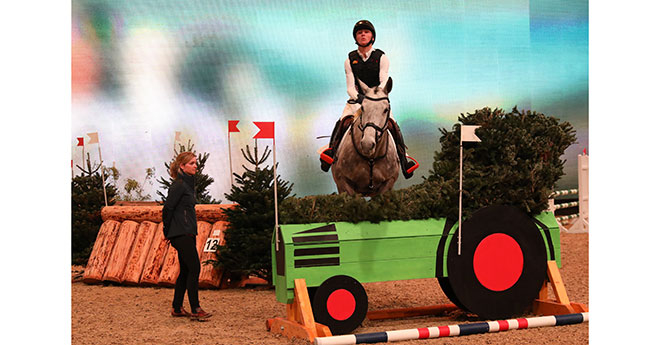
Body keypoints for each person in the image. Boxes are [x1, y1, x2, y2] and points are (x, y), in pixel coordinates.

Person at [320, 19, 417, 179]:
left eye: (366, 32)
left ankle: (404, 159)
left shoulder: (382, 57)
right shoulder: (349, 60)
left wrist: (373, 99)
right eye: (359, 32)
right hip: (357, 101)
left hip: (377, 102)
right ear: (355, 37)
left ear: (372, 36)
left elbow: (384, 80)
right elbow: (350, 88)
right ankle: (331, 153)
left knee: (392, 125)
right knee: (343, 122)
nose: (363, 34)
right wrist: (361, 99)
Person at [162, 151, 212, 320]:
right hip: (180, 232)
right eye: (191, 163)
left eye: (195, 163)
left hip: (188, 232)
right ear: (182, 166)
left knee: (185, 270)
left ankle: (177, 308)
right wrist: (167, 231)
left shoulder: (188, 185)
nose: (195, 165)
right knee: (194, 267)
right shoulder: (179, 185)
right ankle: (196, 308)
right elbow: (167, 208)